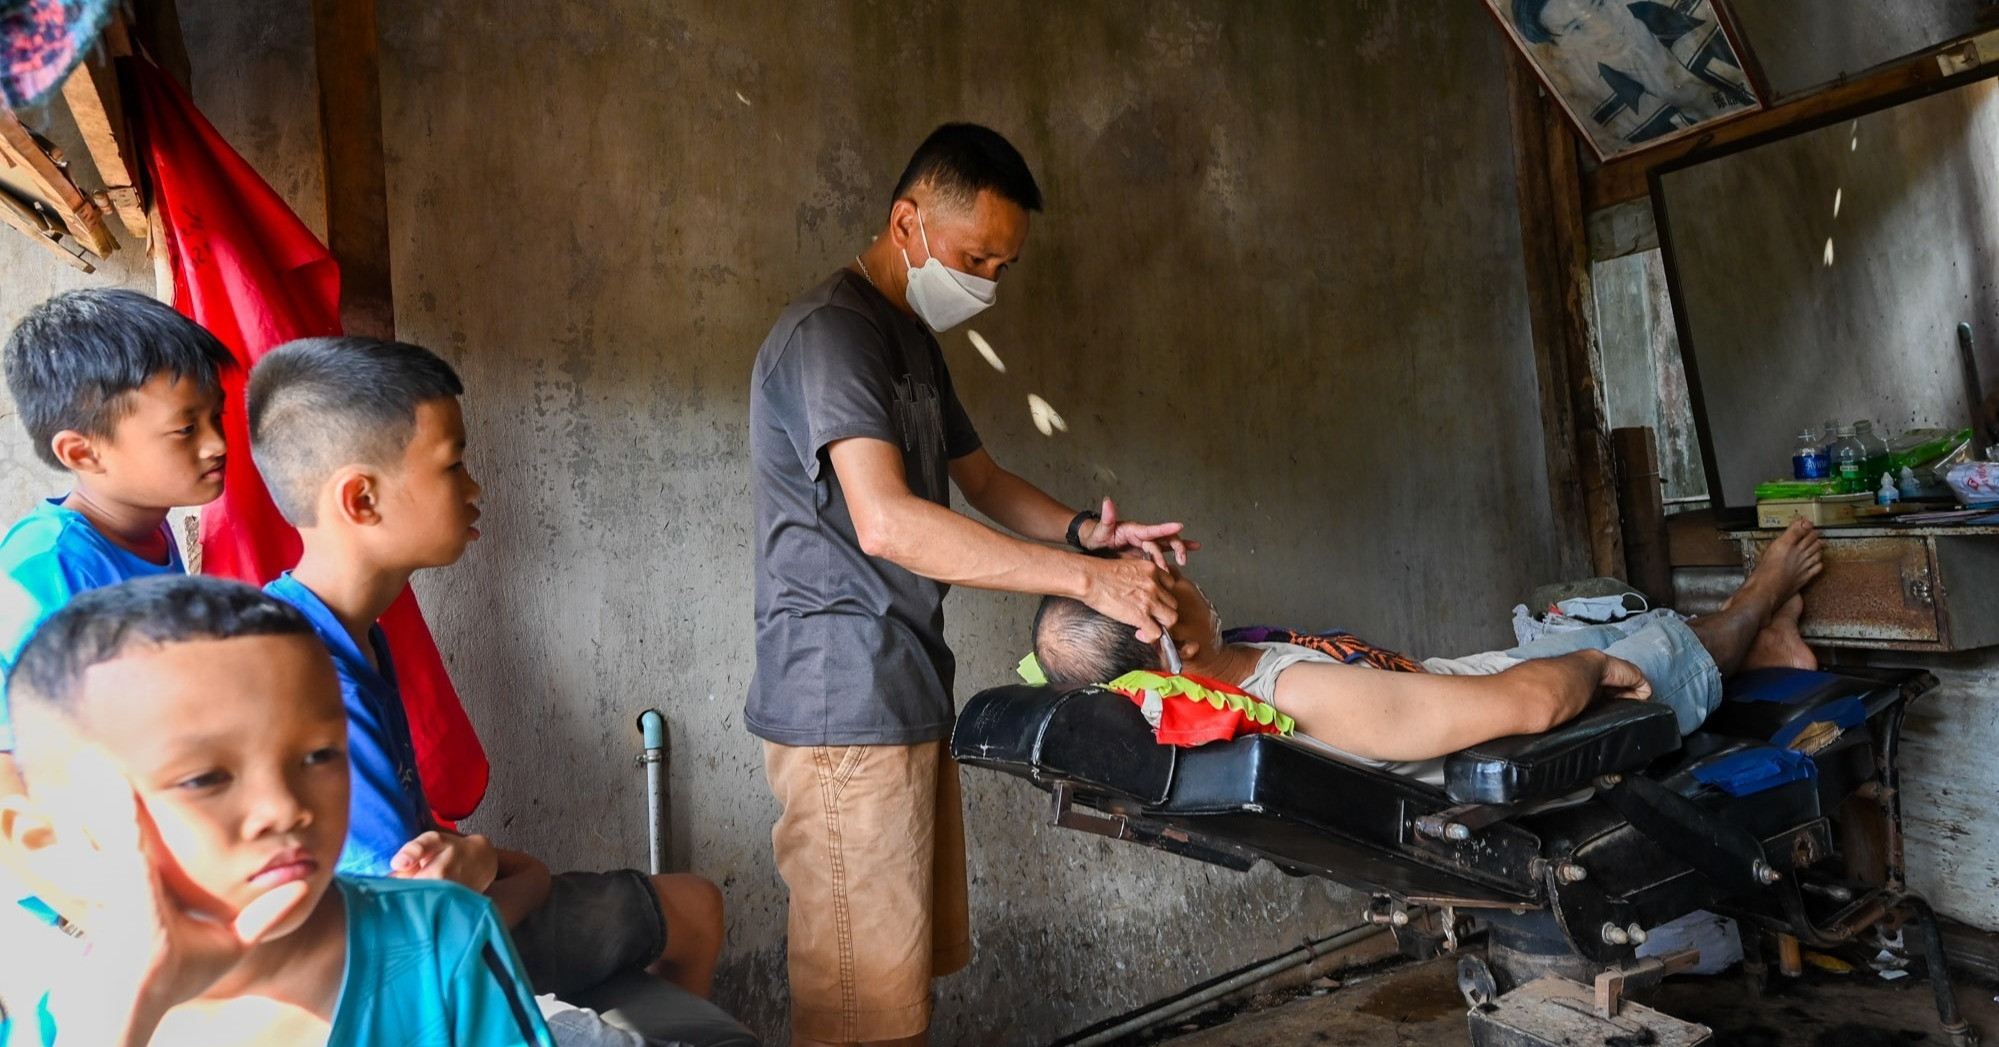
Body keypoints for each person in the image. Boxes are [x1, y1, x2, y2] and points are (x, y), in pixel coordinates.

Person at [749, 122, 1192, 1046]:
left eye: (1002, 264)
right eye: (973, 256)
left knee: (894, 994)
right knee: (855, 1007)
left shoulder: (907, 338)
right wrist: (1090, 583)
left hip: (903, 688)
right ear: (905, 220)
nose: (986, 282)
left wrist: (1089, 535)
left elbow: (981, 482)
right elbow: (888, 520)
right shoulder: (832, 332)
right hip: (843, 703)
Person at [244, 337, 726, 1009]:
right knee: (689, 908)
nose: (474, 488)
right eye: (453, 464)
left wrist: (483, 864)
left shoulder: (346, 633)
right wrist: (503, 874)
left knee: (693, 903)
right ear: (360, 498)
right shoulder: (308, 676)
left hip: (440, 922)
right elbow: (411, 931)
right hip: (393, 976)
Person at [0, 575, 554, 1046]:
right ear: (50, 844)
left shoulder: (437, 937)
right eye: (205, 778)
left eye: (319, 755)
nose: (284, 808)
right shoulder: (62, 1028)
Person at [1034, 520, 1827, 778]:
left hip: (1450, 686)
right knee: (1649, 650)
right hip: (1511, 716)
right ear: (1158, 632)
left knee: (1585, 618)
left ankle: (1763, 646)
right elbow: (1530, 703)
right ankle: (1754, 605)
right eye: (1152, 577)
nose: (1170, 564)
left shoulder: (1221, 676)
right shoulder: (1306, 696)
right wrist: (1589, 670)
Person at [0, 289, 232, 799]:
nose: (217, 443)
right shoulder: (47, 567)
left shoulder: (148, 525)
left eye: (218, 417)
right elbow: (13, 764)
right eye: (186, 428)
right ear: (83, 452)